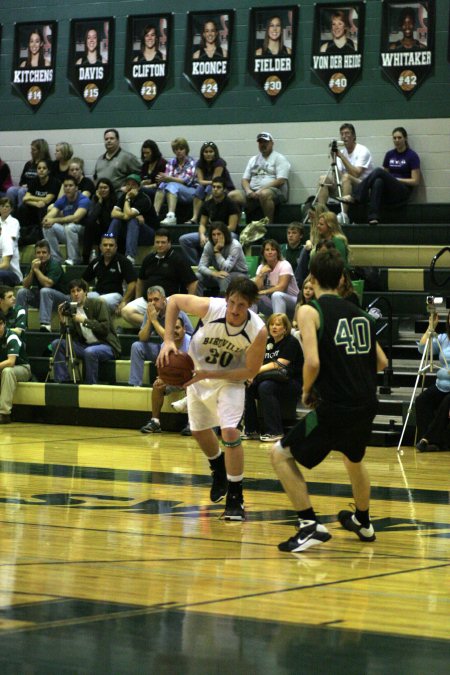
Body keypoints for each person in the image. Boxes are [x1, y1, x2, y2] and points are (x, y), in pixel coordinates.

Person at [270, 248, 388, 552]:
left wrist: (307, 390)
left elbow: (312, 363)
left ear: (311, 277)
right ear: (342, 279)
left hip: (336, 406)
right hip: (366, 404)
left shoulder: (310, 310)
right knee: (353, 459)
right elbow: (382, 363)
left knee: (280, 454)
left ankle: (309, 525)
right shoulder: (362, 315)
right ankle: (363, 520)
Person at [157, 277, 267, 520]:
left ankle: (236, 497)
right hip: (197, 374)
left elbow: (250, 372)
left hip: (230, 380)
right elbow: (173, 301)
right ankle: (218, 467)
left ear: (250, 306)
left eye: (242, 305)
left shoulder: (258, 330)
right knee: (198, 431)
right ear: (226, 300)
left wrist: (209, 373)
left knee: (230, 432)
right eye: (232, 303)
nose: (235, 310)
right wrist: (167, 341)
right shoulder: (212, 307)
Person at [338, 127, 421, 225]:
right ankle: (373, 217)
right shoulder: (390, 154)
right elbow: (384, 176)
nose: (397, 140)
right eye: (394, 138)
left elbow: (415, 181)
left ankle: (354, 196)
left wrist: (397, 179)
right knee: (378, 181)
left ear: (405, 139)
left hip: (403, 191)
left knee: (378, 171)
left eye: (399, 138)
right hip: (390, 192)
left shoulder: (412, 156)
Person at [243, 312, 302, 442]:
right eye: (271, 324)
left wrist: (255, 372)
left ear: (285, 328)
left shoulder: (291, 342)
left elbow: (279, 364)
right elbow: (256, 360)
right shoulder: (266, 342)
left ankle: (275, 432)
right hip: (269, 379)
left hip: (292, 382)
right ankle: (251, 429)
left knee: (266, 387)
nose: (274, 327)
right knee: (248, 386)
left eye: (278, 324)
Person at [121, 228, 197, 328]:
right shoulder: (148, 258)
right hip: (148, 300)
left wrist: (188, 303)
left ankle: (154, 327)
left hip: (168, 302)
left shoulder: (178, 259)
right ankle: (155, 327)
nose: (160, 245)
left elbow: (193, 282)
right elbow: (140, 280)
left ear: (169, 243)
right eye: (157, 242)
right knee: (126, 311)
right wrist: (138, 297)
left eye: (163, 242)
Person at [51, 279, 121, 385]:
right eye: (72, 291)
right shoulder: (72, 309)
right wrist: (62, 321)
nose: (76, 294)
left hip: (106, 345)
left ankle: (90, 386)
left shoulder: (98, 303)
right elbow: (68, 336)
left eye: (78, 290)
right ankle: (62, 380)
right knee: (57, 344)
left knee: (90, 352)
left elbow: (104, 328)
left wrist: (84, 321)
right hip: (85, 346)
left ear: (85, 292)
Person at [128, 286, 193, 387]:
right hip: (162, 347)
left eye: (156, 299)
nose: (153, 303)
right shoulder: (151, 311)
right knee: (137, 346)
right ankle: (135, 385)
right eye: (150, 300)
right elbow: (142, 337)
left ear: (164, 299)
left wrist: (154, 321)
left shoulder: (174, 310)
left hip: (181, 349)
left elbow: (171, 337)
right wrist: (150, 320)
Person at [140, 316, 192, 433]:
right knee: (157, 385)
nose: (174, 331)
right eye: (172, 328)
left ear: (184, 329)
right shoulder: (165, 344)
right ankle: (155, 422)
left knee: (192, 386)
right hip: (174, 380)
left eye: (177, 328)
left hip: (191, 380)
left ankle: (192, 423)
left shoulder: (192, 344)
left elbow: (197, 371)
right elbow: (162, 367)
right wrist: (162, 378)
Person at [228, 132, 290, 223]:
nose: (263, 145)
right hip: (253, 194)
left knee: (264, 194)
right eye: (260, 142)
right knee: (232, 195)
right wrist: (248, 191)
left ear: (272, 143)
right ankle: (236, 226)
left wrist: (261, 190)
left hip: (273, 192)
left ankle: (269, 225)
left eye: (266, 142)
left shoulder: (279, 158)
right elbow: (244, 180)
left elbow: (281, 180)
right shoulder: (253, 159)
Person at [179, 176, 239, 266]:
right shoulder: (207, 204)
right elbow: (202, 224)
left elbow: (232, 227)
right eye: (213, 187)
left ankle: (225, 265)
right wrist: (202, 235)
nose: (215, 189)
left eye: (218, 187)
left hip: (227, 233)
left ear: (224, 189)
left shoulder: (231, 204)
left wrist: (216, 235)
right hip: (210, 233)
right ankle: (197, 265)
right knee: (184, 239)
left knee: (233, 237)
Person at [415, 311, 450, 453]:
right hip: (442, 385)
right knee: (422, 400)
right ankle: (432, 443)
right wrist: (431, 327)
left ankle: (427, 439)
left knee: (447, 402)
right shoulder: (443, 338)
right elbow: (422, 349)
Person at [316, 123, 373, 210]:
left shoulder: (362, 151)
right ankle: (320, 213)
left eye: (347, 133)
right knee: (323, 178)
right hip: (345, 186)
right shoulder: (341, 152)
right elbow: (338, 178)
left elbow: (356, 174)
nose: (344, 136)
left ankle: (344, 215)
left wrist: (342, 157)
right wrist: (334, 159)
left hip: (362, 188)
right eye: (342, 134)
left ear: (353, 136)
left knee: (346, 177)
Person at [15, 239, 65, 333]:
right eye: (38, 252)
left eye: (44, 252)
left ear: (49, 254)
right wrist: (32, 270)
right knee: (22, 292)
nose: (41, 255)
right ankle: (20, 324)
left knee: (45, 290)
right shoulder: (34, 264)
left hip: (61, 300)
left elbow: (48, 284)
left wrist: (37, 271)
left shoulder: (54, 264)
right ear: (35, 254)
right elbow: (25, 285)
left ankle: (45, 325)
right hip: (44, 299)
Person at [108, 173, 158, 264]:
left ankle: (130, 256)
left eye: (133, 184)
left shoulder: (144, 198)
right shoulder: (123, 196)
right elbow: (113, 213)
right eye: (128, 184)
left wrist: (127, 199)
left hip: (149, 234)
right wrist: (126, 215)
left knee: (133, 220)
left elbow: (129, 214)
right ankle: (108, 250)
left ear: (138, 187)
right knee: (116, 220)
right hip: (132, 232)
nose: (130, 187)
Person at [83, 234, 137, 314]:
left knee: (98, 301)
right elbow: (84, 279)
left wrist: (124, 301)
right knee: (81, 299)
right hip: (97, 294)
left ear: (116, 247)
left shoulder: (123, 261)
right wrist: (85, 293)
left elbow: (133, 283)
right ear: (100, 247)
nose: (108, 248)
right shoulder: (96, 262)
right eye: (105, 245)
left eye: (111, 245)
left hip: (115, 296)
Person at [42, 175, 90, 265]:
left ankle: (74, 259)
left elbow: (76, 218)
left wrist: (54, 220)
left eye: (71, 186)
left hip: (84, 233)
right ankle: (56, 259)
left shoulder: (83, 199)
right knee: (48, 227)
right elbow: (50, 214)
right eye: (66, 186)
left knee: (70, 226)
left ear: (76, 188)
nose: (68, 188)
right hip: (69, 232)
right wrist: (46, 220)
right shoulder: (63, 199)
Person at [186, 142, 234, 225]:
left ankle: (209, 216)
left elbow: (216, 181)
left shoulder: (219, 162)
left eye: (211, 152)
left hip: (224, 188)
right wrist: (206, 183)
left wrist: (207, 183)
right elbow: (200, 181)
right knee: (200, 188)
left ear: (215, 153)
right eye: (206, 152)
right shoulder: (199, 163)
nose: (208, 154)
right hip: (206, 186)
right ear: (202, 153)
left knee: (210, 188)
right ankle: (195, 217)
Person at [196, 222, 248, 296]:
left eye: (219, 234)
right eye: (213, 234)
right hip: (219, 273)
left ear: (225, 234)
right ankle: (198, 303)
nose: (216, 237)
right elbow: (201, 267)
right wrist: (213, 273)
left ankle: (222, 305)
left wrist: (217, 251)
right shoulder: (209, 245)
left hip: (239, 275)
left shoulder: (235, 245)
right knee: (198, 276)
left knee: (224, 277)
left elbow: (226, 269)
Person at [154, 138, 197, 225]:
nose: (178, 151)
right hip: (175, 191)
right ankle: (154, 214)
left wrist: (168, 178)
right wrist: (162, 179)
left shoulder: (192, 162)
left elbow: (187, 181)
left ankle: (171, 216)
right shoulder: (171, 162)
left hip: (191, 191)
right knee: (162, 185)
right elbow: (166, 179)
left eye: (181, 149)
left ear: (186, 150)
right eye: (176, 149)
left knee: (171, 185)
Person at [17, 159, 60, 246]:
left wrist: (31, 198)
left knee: (42, 209)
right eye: (39, 168)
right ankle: (22, 234)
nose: (41, 170)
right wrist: (36, 203)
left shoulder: (54, 182)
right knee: (22, 207)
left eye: (44, 168)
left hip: (48, 209)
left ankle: (41, 237)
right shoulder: (34, 181)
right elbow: (25, 199)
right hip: (36, 206)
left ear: (48, 171)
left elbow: (47, 200)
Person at [253, 239, 299, 319]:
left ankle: (279, 323)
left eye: (273, 249)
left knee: (277, 295)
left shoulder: (284, 265)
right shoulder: (261, 267)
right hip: (274, 304)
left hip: (293, 303)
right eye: (267, 250)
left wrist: (264, 291)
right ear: (263, 253)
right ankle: (250, 324)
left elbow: (281, 287)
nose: (270, 252)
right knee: (253, 296)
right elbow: (255, 289)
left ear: (277, 252)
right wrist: (261, 274)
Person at [0, 312, 31, 424]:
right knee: (5, 371)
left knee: (7, 371)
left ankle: (4, 414)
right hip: (2, 368)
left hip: (22, 368)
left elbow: (11, 362)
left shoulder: (11, 336)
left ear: (3, 324)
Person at [6, 139, 51, 209]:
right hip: (24, 187)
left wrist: (28, 186)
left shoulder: (46, 164)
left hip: (36, 189)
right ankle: (10, 212)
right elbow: (22, 180)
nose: (31, 152)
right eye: (31, 149)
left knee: (21, 191)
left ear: (40, 151)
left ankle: (21, 214)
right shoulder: (28, 164)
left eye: (34, 150)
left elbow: (47, 181)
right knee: (11, 190)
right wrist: (22, 185)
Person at [94, 129, 141, 195]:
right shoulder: (100, 159)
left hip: (119, 194)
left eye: (112, 138)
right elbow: (95, 178)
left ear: (118, 140)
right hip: (102, 195)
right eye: (106, 139)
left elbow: (139, 174)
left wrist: (129, 187)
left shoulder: (127, 157)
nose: (109, 141)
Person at [82, 178, 115, 262]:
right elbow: (91, 218)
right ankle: (86, 256)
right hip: (99, 230)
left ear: (110, 189)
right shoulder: (95, 199)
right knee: (90, 223)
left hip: (112, 230)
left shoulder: (115, 200)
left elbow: (108, 219)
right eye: (100, 188)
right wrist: (100, 202)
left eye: (105, 188)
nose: (102, 190)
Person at [0, 203, 22, 287]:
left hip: (13, 275)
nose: (4, 208)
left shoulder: (6, 240)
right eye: (2, 206)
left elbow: (5, 265)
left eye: (7, 206)